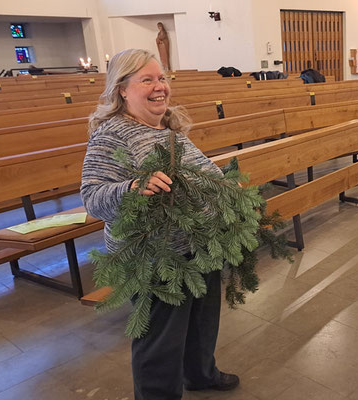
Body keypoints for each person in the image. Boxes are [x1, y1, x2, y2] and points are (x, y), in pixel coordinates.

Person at [80, 49, 239, 400]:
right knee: (160, 343)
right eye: (147, 79)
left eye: (162, 78)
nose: (159, 87)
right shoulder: (112, 134)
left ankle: (199, 374)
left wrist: (227, 186)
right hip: (155, 258)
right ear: (122, 89)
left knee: (201, 322)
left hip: (199, 244)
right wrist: (133, 187)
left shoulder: (168, 127)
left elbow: (202, 171)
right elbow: (92, 198)